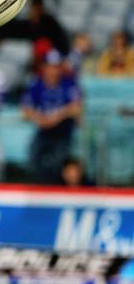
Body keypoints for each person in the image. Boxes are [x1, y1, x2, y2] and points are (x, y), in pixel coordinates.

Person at [21, 50, 82, 184]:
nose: (53, 71)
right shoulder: (36, 84)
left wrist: (57, 117)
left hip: (63, 132)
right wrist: (40, 118)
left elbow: (77, 107)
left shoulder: (68, 83)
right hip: (43, 132)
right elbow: (25, 110)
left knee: (58, 164)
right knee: (33, 159)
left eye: (56, 66)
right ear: (44, 68)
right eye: (50, 66)